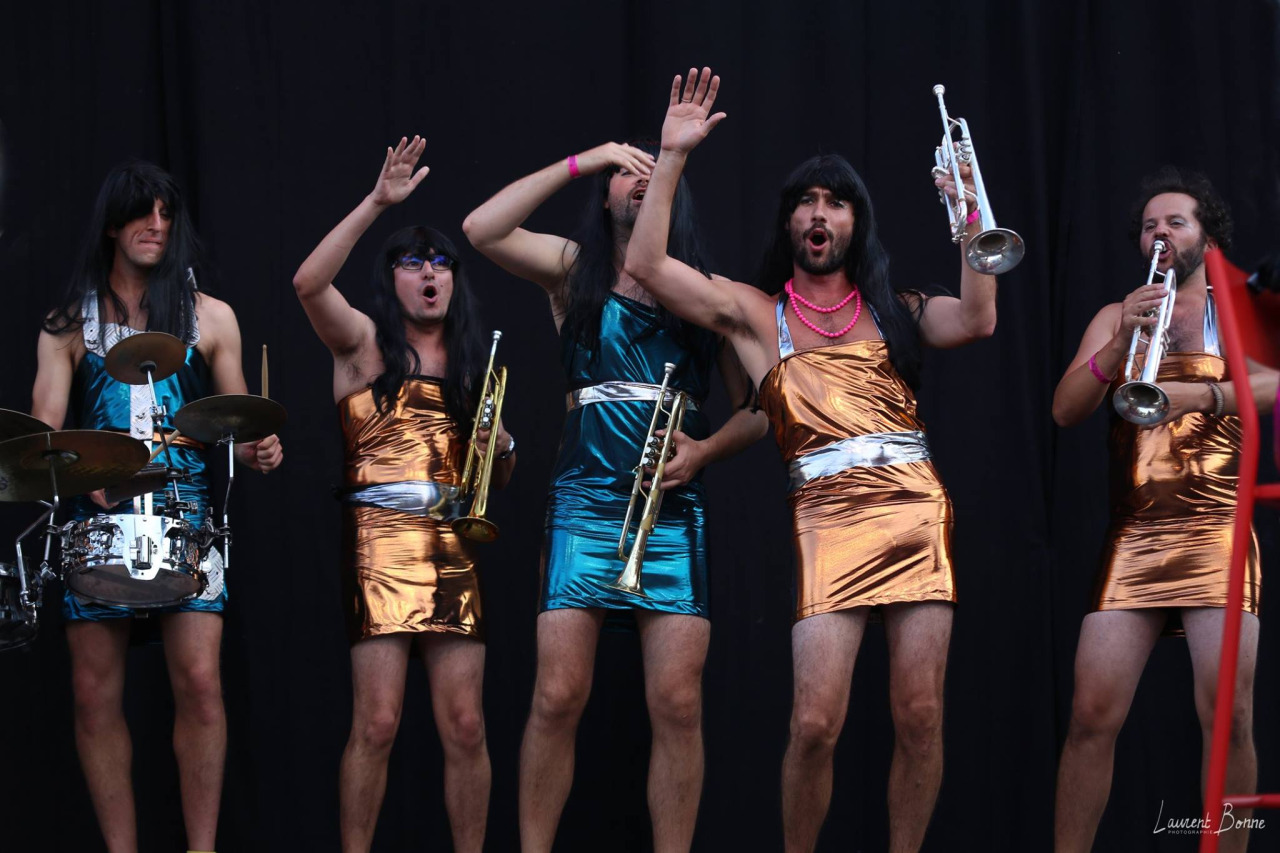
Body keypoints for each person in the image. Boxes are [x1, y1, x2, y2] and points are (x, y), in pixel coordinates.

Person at [623, 68, 999, 853]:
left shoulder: (897, 311)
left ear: (856, 222)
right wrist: (672, 158)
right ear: (789, 221)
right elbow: (651, 267)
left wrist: (969, 213)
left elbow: (979, 318)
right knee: (816, 722)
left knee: (920, 713)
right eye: (806, 200)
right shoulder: (759, 313)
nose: (819, 212)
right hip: (827, 516)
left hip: (914, 508)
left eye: (835, 201)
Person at [463, 121, 766, 848]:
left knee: (678, 702)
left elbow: (763, 408)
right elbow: (481, 228)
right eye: (625, 171)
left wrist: (705, 451)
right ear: (605, 195)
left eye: (652, 169)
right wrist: (583, 158)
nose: (638, 177)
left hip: (674, 505)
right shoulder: (575, 270)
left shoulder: (706, 291)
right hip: (585, 501)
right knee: (558, 694)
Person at [31, 160, 283, 853]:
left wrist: (261, 450)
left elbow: (241, 422)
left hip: (187, 513)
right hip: (97, 514)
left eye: (168, 214)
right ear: (113, 225)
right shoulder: (67, 323)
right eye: (143, 212)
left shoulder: (211, 316)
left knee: (201, 684)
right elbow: (42, 432)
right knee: (92, 693)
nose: (157, 225)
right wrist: (85, 480)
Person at [291, 136, 512, 853]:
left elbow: (494, 484)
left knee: (467, 725)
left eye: (441, 263)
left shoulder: (474, 369)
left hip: (453, 542)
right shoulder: (363, 344)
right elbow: (307, 283)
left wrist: (502, 448)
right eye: (413, 263)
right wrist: (377, 203)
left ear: (454, 283)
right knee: (377, 722)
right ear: (392, 280)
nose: (429, 274)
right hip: (380, 537)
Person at [1051, 167, 1278, 853]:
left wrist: (1202, 397)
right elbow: (1065, 409)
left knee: (1230, 719)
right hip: (1137, 534)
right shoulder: (1116, 315)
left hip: (1217, 531)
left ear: (1206, 237)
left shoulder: (1238, 311)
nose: (1160, 233)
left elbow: (1275, 384)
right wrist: (1121, 342)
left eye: (1175, 221)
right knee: (1091, 715)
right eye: (1150, 225)